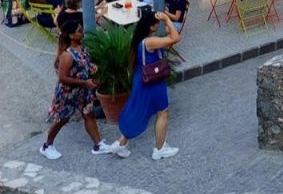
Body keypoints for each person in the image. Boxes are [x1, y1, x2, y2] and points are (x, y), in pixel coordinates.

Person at [38, 19, 115, 160]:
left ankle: (98, 145)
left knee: (89, 114)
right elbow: (63, 78)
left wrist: (94, 70)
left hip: (82, 91)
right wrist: (85, 82)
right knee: (62, 119)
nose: (82, 32)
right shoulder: (67, 55)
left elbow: (85, 64)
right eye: (79, 31)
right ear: (71, 36)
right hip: (68, 93)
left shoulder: (81, 48)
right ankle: (47, 145)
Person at [110, 9, 181, 160]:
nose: (158, 25)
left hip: (141, 80)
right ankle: (160, 150)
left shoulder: (140, 39)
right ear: (151, 26)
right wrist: (167, 19)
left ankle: (121, 143)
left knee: (138, 110)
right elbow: (175, 38)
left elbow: (170, 35)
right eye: (157, 23)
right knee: (163, 112)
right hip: (153, 82)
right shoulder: (150, 42)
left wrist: (166, 23)